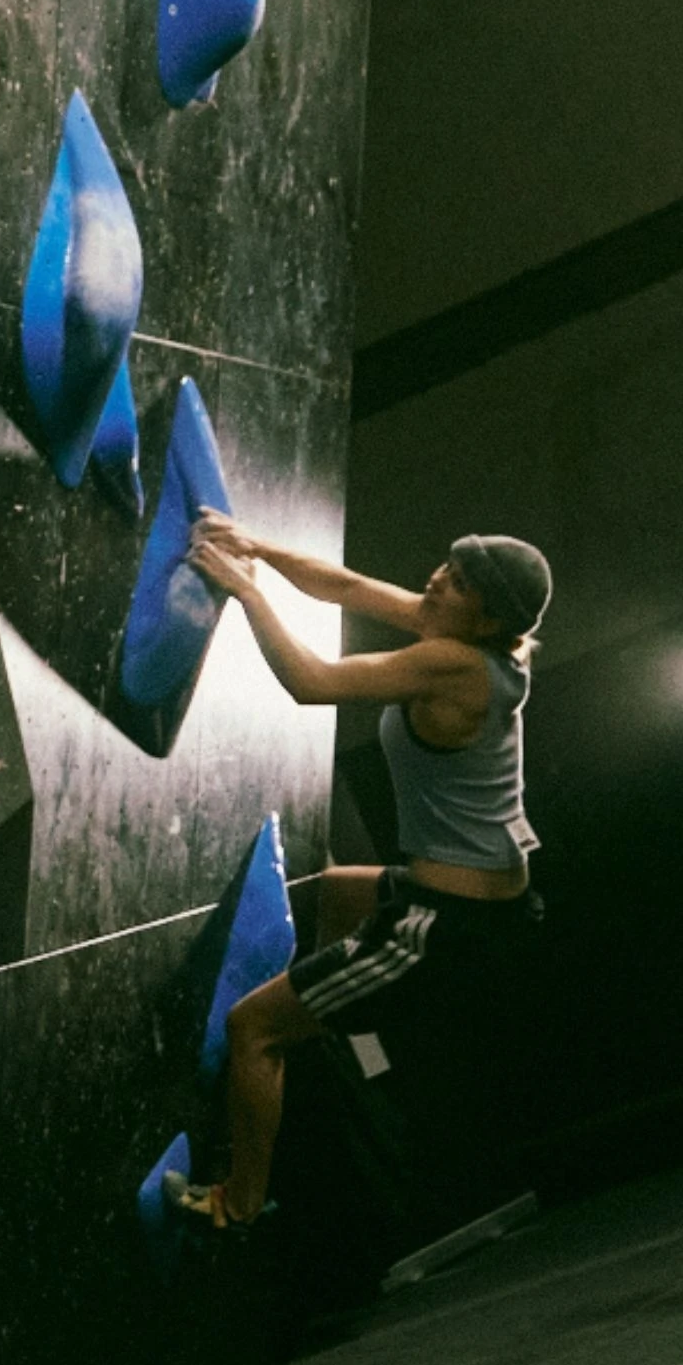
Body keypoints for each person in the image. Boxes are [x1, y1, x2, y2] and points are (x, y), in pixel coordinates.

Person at [156, 521, 552, 1236]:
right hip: (457, 891)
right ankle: (319, 1013)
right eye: (446, 565)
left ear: (488, 618)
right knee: (327, 889)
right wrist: (258, 548)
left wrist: (246, 591)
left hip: (443, 926)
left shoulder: (456, 666)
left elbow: (315, 684)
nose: (437, 580)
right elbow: (346, 587)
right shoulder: (463, 635)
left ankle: (236, 1203)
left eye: (458, 583)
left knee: (252, 1029)